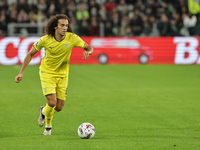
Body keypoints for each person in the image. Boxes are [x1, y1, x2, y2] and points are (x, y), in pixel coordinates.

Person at [15, 14, 94, 135]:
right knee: (52, 102)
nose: (65, 28)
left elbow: (89, 47)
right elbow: (30, 54)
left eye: (66, 25)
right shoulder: (45, 39)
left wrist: (88, 52)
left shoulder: (72, 38)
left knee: (59, 107)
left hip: (63, 75)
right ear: (55, 27)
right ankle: (48, 127)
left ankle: (43, 111)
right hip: (47, 73)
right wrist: (21, 72)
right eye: (62, 25)